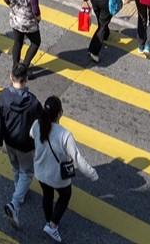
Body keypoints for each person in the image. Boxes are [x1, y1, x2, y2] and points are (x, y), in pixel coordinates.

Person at [32, 95, 97, 242]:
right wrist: (92, 174)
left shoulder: (37, 124)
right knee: (65, 196)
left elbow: (32, 135)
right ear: (60, 113)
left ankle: (49, 220)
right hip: (58, 177)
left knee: (47, 195)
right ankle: (53, 226)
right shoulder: (65, 135)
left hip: (41, 172)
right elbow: (78, 159)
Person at [0, 64, 41, 231]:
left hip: (9, 141)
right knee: (27, 172)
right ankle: (15, 203)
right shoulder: (33, 102)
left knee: (15, 167)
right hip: (26, 144)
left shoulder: (1, 96)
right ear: (26, 79)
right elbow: (41, 124)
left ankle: (19, 192)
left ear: (10, 77)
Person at [4, 0, 41, 73]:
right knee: (35, 42)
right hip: (28, 23)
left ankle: (15, 67)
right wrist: (38, 18)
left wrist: (14, 8)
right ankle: (24, 66)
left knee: (18, 43)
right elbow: (35, 10)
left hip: (15, 20)